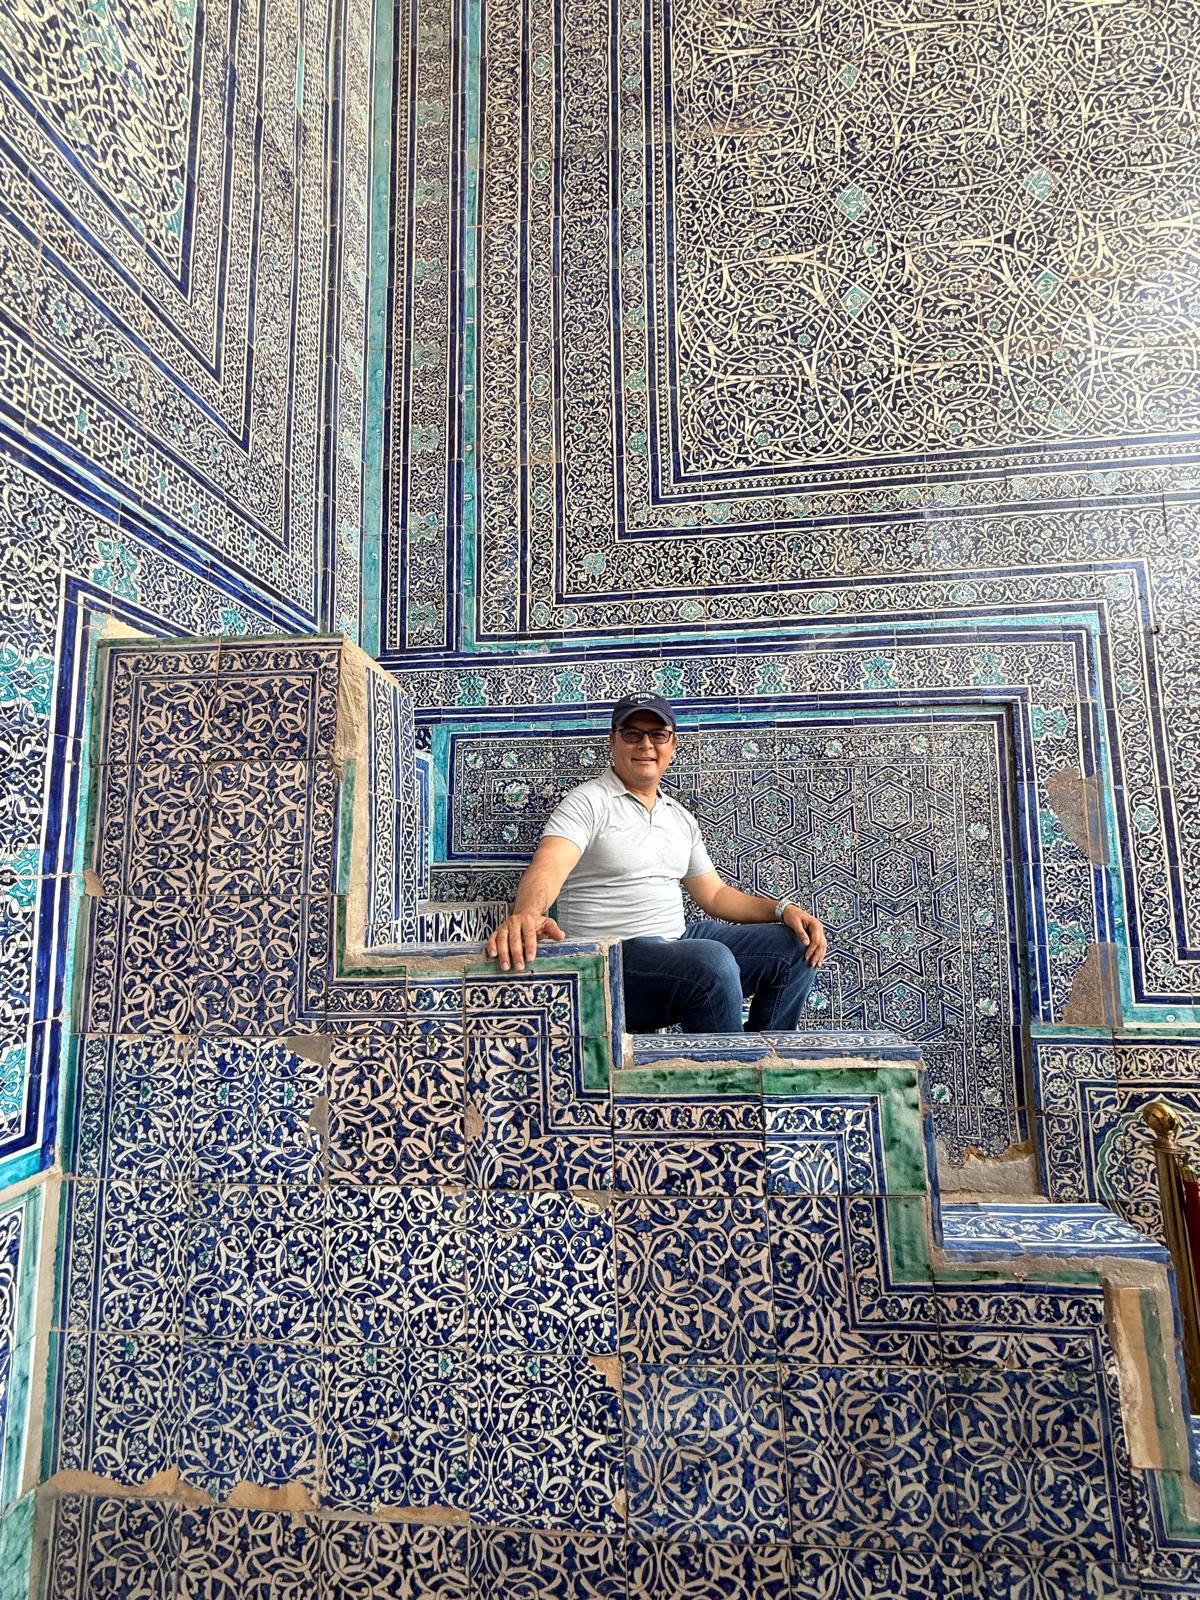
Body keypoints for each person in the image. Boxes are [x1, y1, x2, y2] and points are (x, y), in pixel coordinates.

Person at [485, 693, 828, 1033]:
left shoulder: (679, 817)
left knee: (796, 944)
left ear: (672, 744)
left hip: (677, 943)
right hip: (614, 957)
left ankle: (766, 1062)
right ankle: (727, 1079)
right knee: (712, 961)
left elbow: (715, 896)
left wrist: (782, 909)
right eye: (632, 733)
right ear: (613, 741)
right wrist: (529, 913)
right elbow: (549, 864)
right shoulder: (587, 803)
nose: (645, 744)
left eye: (657, 734)